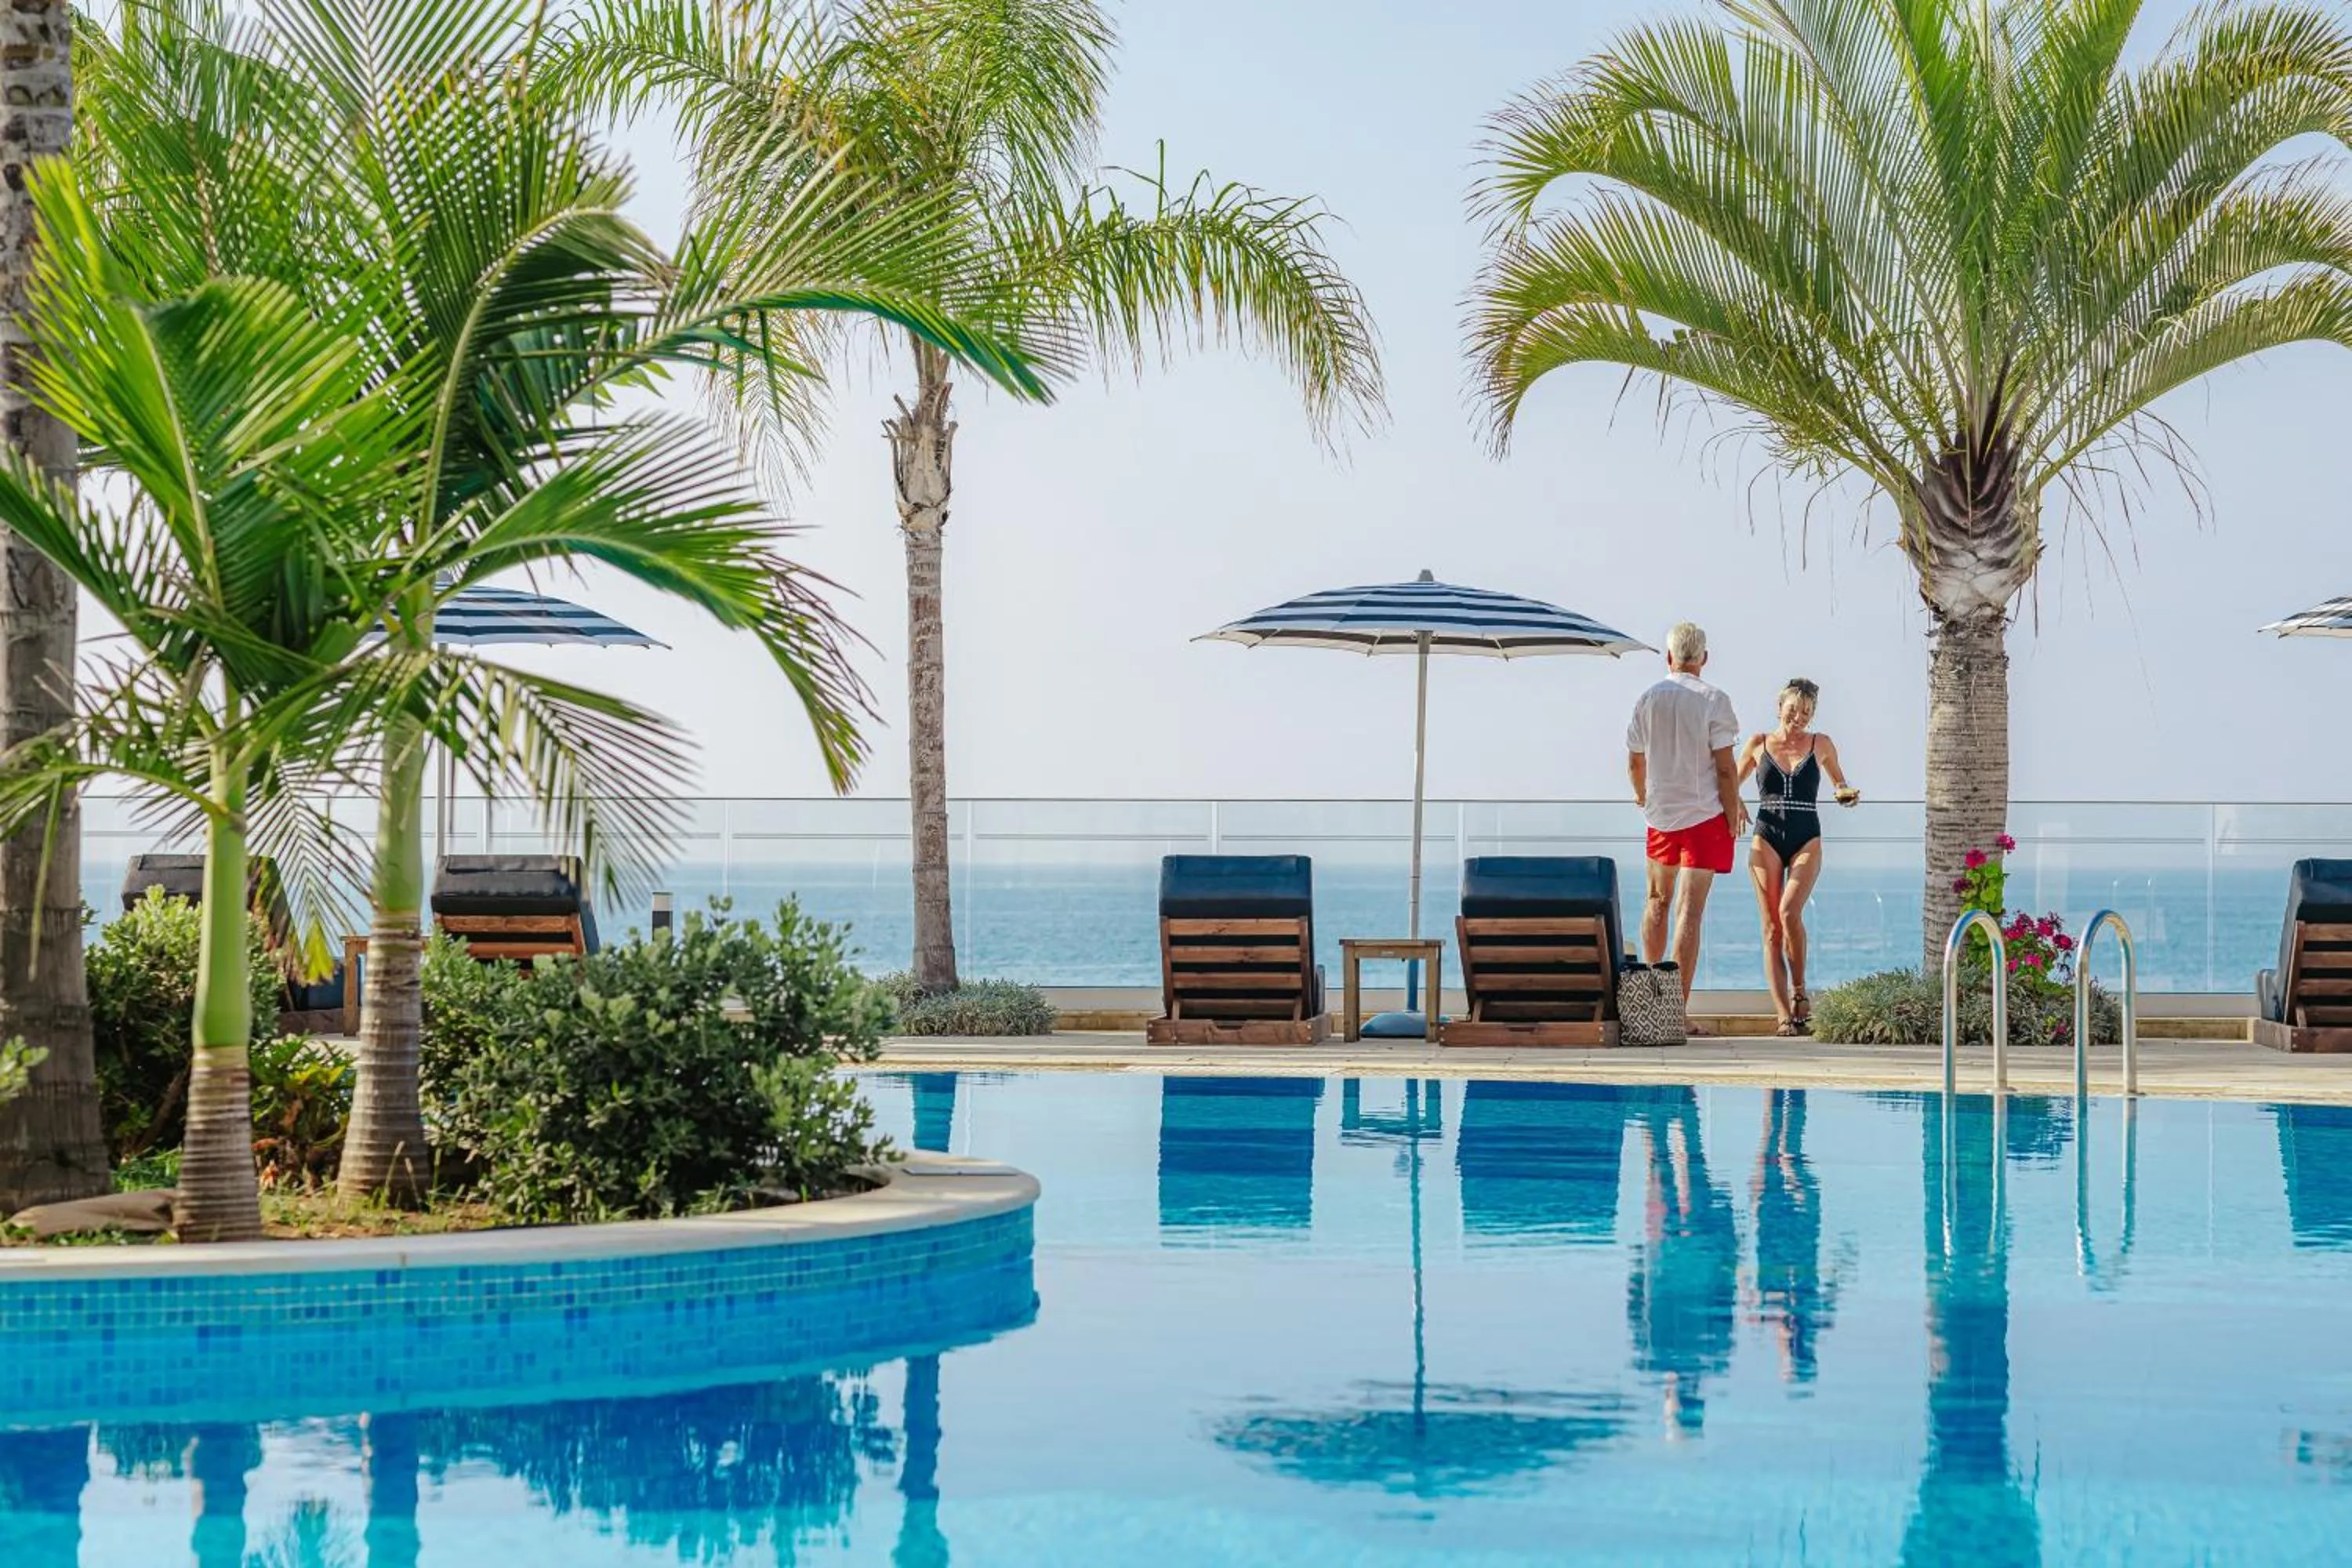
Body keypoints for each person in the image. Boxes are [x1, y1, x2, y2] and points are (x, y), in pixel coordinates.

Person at [1626, 622, 1746, 1013]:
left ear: (1669, 657)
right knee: (1688, 912)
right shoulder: (1715, 700)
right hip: (1704, 815)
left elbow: (1635, 760)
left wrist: (1644, 797)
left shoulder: (1648, 698)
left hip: (1660, 816)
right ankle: (1674, 1013)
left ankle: (1649, 1004)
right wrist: (1733, 814)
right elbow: (1726, 770)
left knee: (1656, 902)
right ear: (1704, 659)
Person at [1737, 678, 1859, 1034]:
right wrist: (1736, 801)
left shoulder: (1821, 743)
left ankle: (1800, 989)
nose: (1799, 717)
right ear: (1779, 708)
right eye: (1793, 710)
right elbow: (1730, 781)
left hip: (1807, 835)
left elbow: (1840, 782)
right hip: (1767, 835)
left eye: (1806, 712)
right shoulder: (1759, 743)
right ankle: (1782, 1014)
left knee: (1790, 912)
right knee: (1772, 926)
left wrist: (1844, 793)